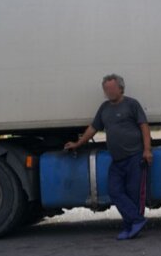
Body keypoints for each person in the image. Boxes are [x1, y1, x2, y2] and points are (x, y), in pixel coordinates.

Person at [64, 74, 153, 240]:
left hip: (135, 157)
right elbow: (93, 128)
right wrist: (78, 143)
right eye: (106, 89)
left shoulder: (132, 104)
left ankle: (130, 227)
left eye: (112, 88)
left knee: (134, 194)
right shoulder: (104, 108)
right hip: (117, 160)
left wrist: (147, 150)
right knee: (115, 191)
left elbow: (144, 127)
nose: (109, 92)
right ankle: (136, 221)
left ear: (121, 88)